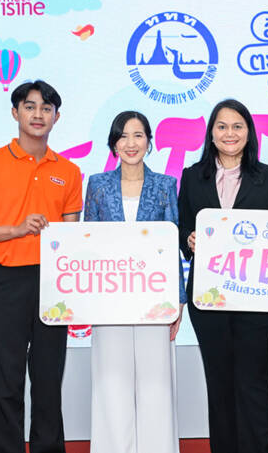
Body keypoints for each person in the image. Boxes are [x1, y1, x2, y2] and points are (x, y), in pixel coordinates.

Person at [0, 80, 82, 453]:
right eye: (30, 106)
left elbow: (71, 235)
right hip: (6, 281)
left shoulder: (69, 171)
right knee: (3, 380)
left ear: (57, 117)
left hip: (52, 283)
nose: (38, 114)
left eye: (46, 108)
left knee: (48, 380)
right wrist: (15, 230)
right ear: (15, 113)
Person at [178, 98, 268, 453]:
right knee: (220, 384)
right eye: (222, 126)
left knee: (253, 383)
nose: (230, 133)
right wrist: (188, 239)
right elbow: (181, 227)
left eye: (237, 126)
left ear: (249, 133)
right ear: (211, 133)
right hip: (208, 298)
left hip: (257, 299)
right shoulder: (192, 176)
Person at [83, 111, 186, 453]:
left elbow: (172, 244)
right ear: (113, 143)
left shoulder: (165, 185)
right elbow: (88, 243)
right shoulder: (97, 184)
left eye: (138, 135)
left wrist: (178, 301)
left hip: (154, 298)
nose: (131, 143)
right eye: (123, 136)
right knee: (111, 383)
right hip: (109, 300)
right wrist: (88, 300)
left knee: (156, 384)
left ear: (149, 142)